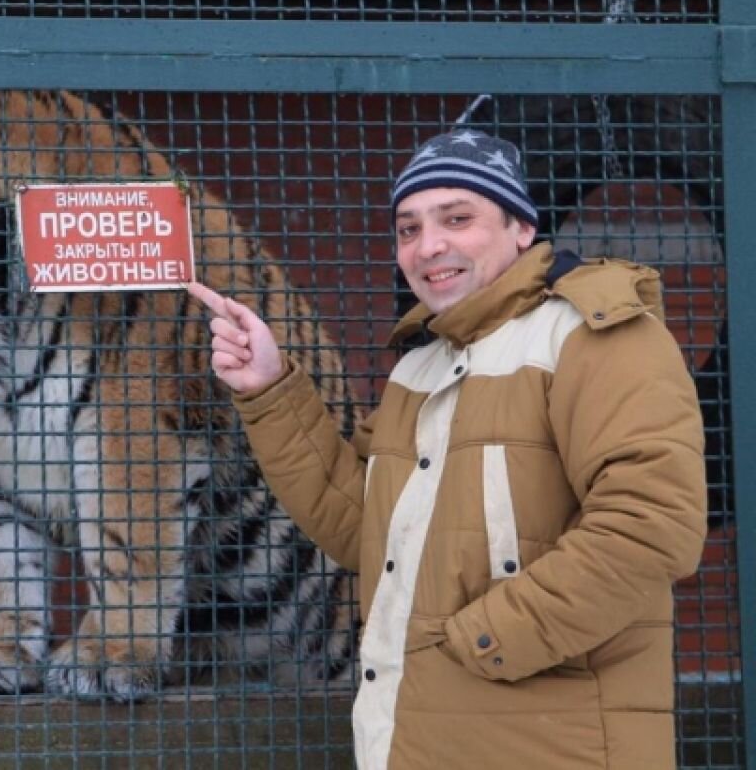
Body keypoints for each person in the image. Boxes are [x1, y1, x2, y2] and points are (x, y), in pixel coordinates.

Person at [188, 129, 707, 770]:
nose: (428, 245)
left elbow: (651, 528)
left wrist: (482, 642)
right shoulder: (422, 369)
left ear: (521, 227)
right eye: (408, 228)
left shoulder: (594, 336)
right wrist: (269, 389)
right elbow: (362, 526)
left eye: (457, 218)